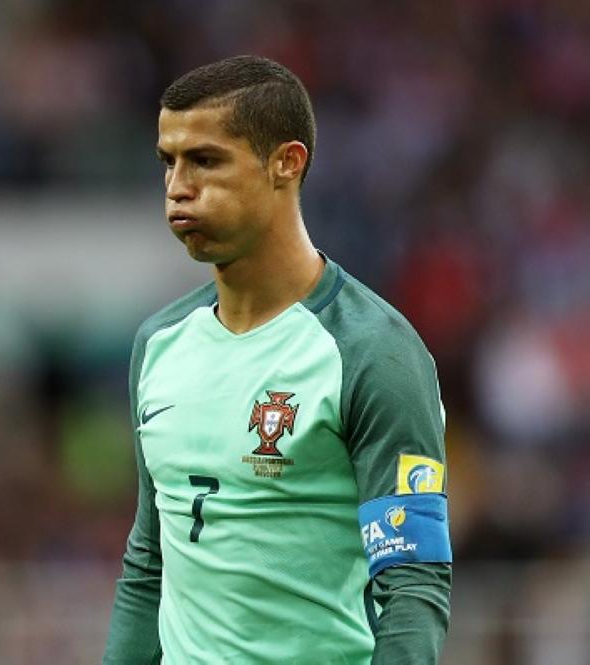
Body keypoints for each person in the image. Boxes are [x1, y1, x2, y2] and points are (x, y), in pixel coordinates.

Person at [102, 55, 452, 664]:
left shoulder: (372, 352)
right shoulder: (158, 344)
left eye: (205, 160)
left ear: (286, 163)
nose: (178, 186)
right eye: (169, 162)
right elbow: (149, 563)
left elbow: (412, 586)